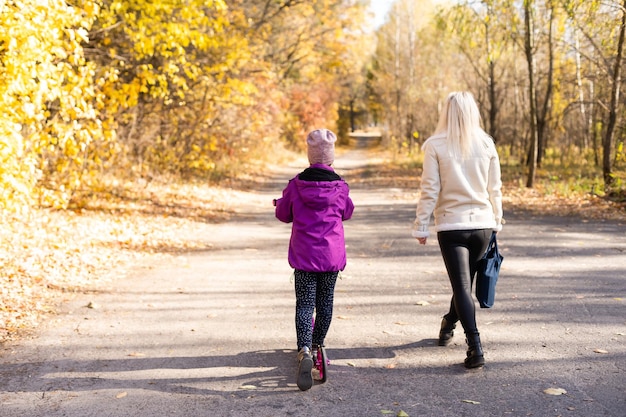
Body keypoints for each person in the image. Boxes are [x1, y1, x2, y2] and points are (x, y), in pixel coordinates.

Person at [412, 92, 503, 369]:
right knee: (464, 284)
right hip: (483, 226)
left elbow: (430, 188)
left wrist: (422, 224)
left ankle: (475, 347)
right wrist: (497, 220)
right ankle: (448, 323)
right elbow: (495, 187)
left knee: (462, 286)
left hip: (452, 226)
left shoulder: (435, 145)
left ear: (447, 113)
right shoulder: (487, 143)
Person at [274, 128, 354, 390]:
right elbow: (347, 212)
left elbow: (284, 215)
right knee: (325, 303)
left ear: (310, 158)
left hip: (304, 256)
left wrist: (280, 203)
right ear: (331, 159)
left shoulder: (296, 185)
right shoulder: (340, 186)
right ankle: (319, 345)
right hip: (330, 257)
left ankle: (305, 350)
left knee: (305, 305)